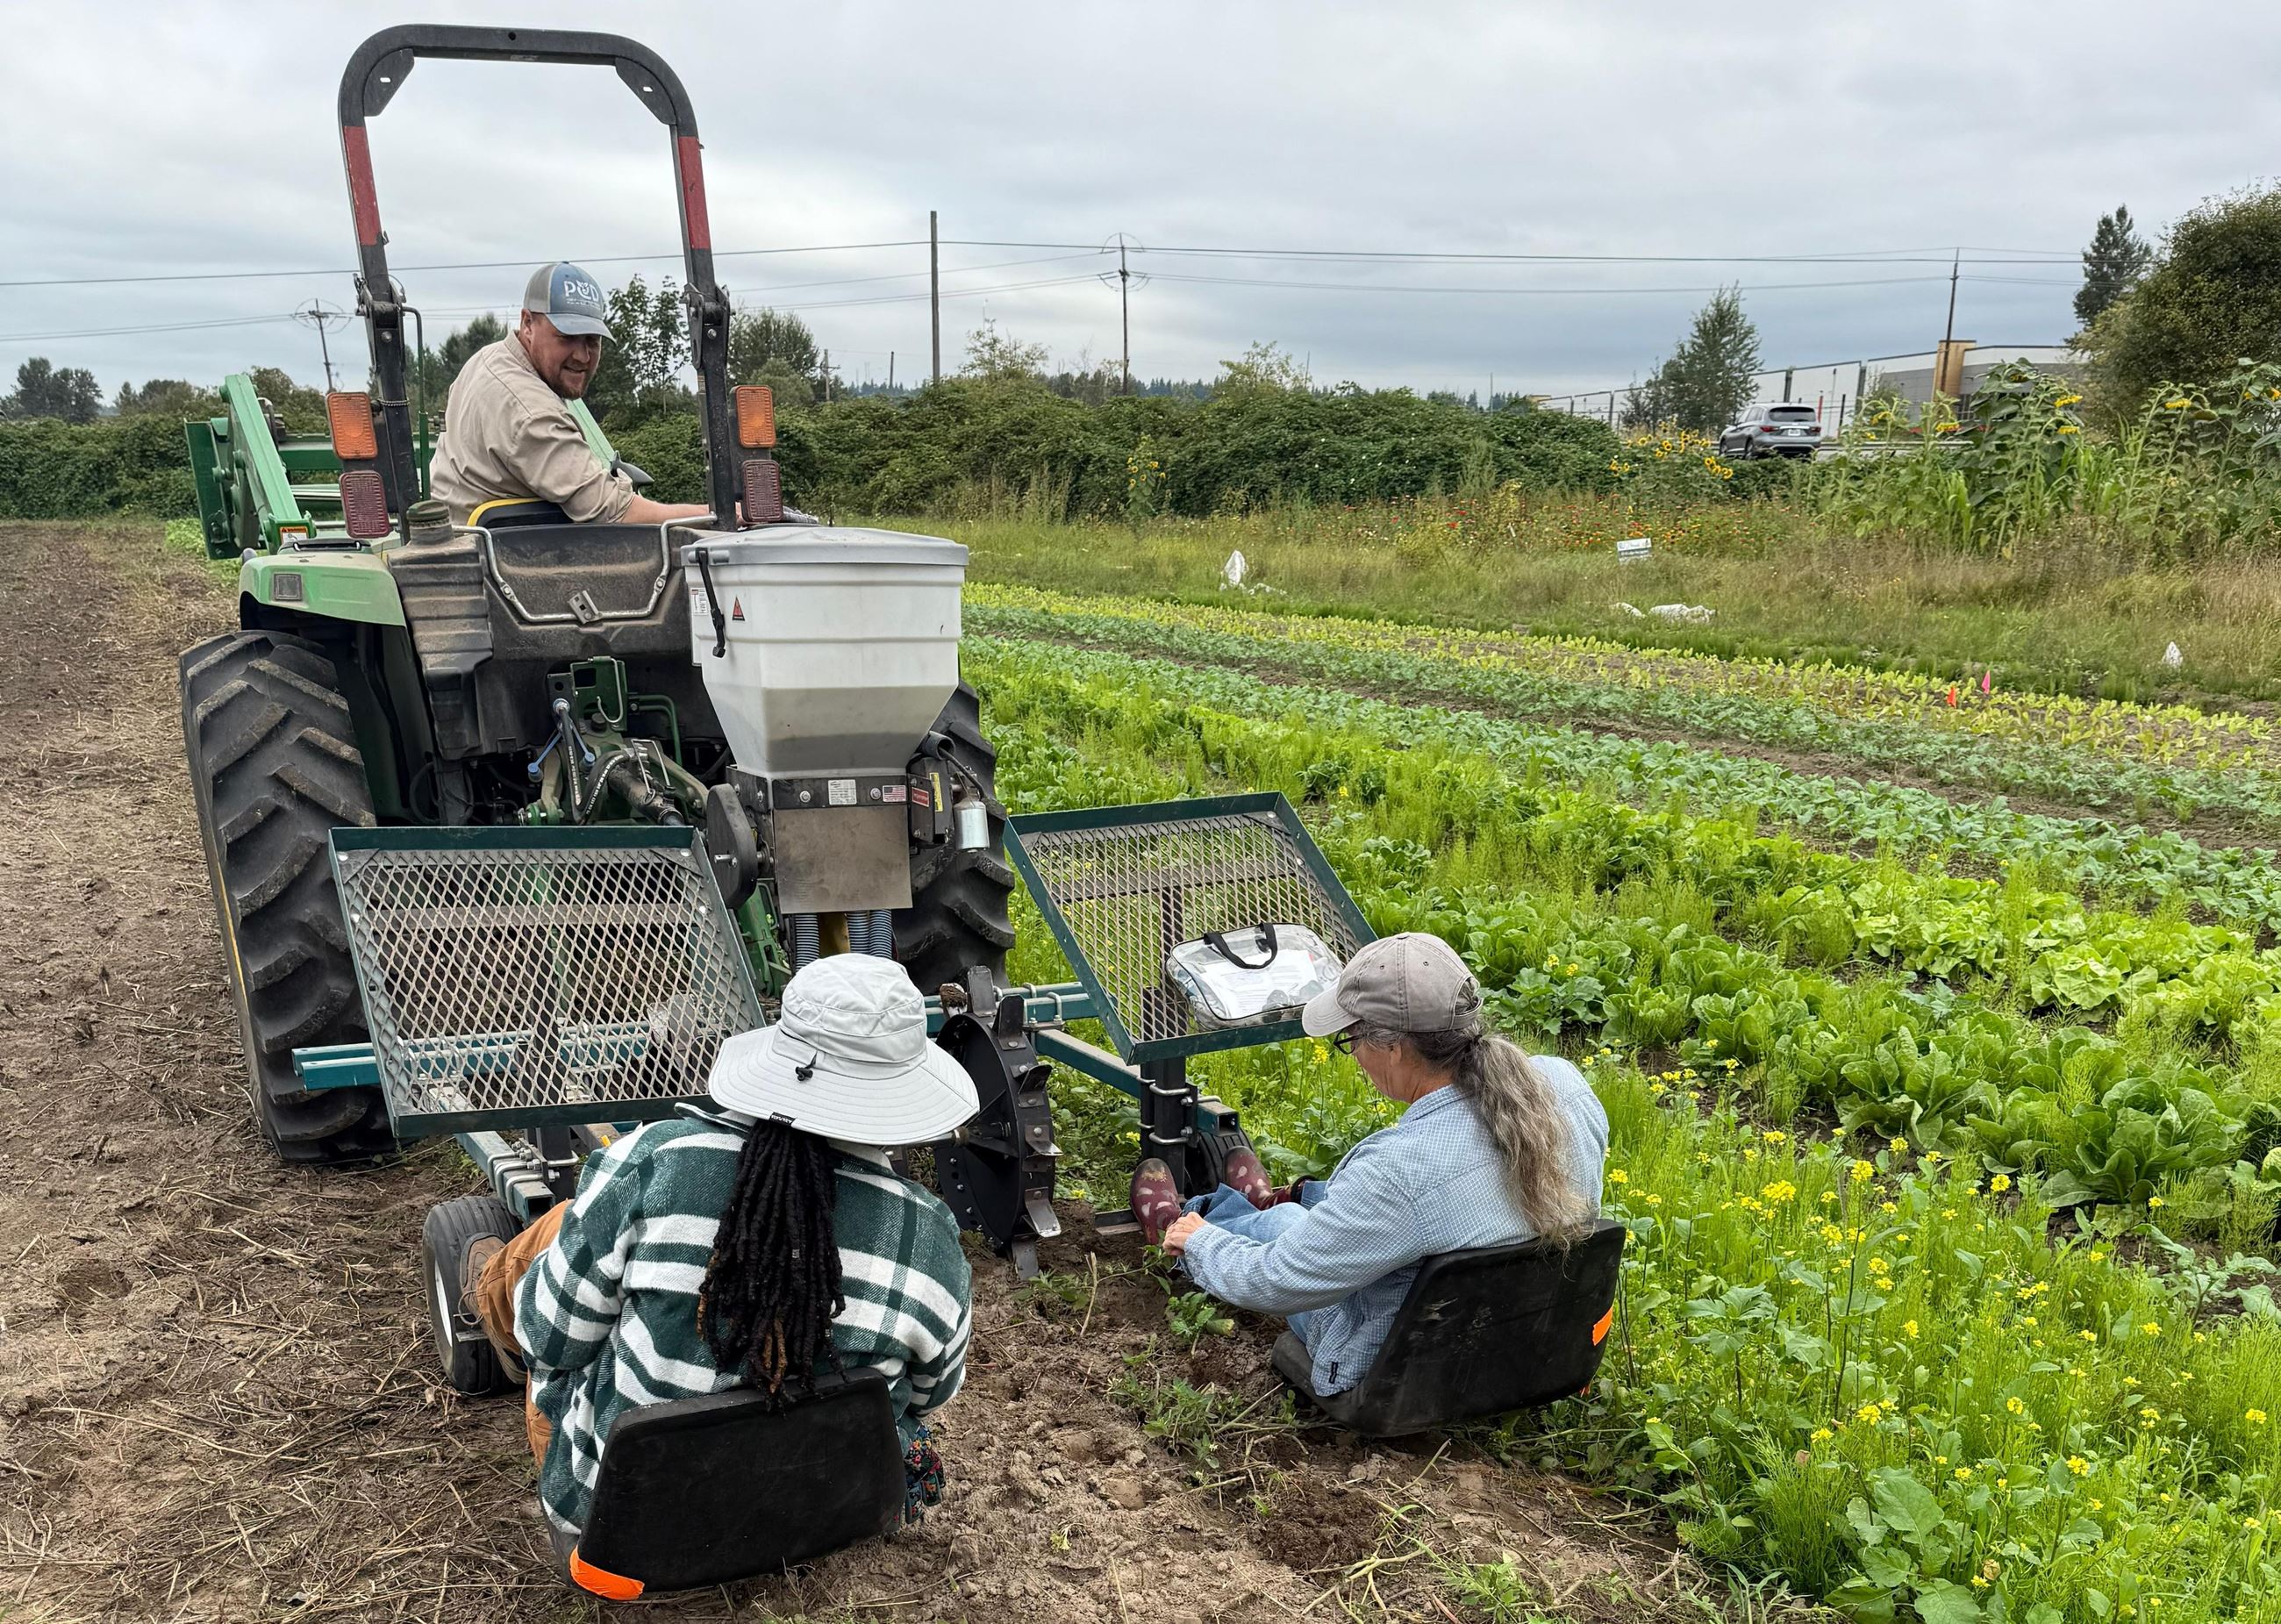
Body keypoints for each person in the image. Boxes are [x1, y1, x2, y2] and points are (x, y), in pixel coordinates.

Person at [463, 953, 979, 1581]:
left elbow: (549, 1337)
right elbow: (925, 1396)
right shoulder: (931, 1238)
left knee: (554, 1242)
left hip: (621, 1534)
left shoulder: (653, 1161)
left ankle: (488, 1289)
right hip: (820, 1517)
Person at [1135, 932, 1608, 1398]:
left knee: (1285, 1224)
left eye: (1351, 1039)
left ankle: (1188, 1223)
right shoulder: (1562, 1084)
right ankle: (1274, 1201)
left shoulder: (1398, 1170)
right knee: (1349, 1211)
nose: (1354, 1055)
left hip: (1404, 1362)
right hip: (1533, 1345)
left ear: (1394, 1047)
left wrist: (1203, 1245)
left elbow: (1276, 1282)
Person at [426, 261, 716, 527]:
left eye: (592, 340)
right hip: (504, 562)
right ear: (528, 323)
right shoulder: (531, 412)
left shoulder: (488, 359)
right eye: (566, 338)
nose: (582, 356)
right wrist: (718, 515)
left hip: (473, 542)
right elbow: (614, 512)